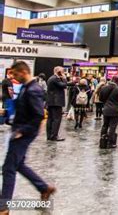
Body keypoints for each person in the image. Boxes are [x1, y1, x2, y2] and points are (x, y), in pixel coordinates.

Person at [0, 61, 56, 213]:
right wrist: (6, 114)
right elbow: (23, 109)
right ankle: (44, 188)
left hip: (23, 134)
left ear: (24, 72)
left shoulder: (33, 89)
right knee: (18, 165)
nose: (14, 77)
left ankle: (3, 206)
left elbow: (38, 115)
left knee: (8, 168)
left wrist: (21, 131)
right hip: (20, 131)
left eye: (16, 74)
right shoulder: (26, 87)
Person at [99, 76, 118, 149]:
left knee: (105, 125)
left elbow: (100, 98)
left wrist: (106, 103)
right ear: (117, 82)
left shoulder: (104, 88)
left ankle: (102, 140)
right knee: (112, 127)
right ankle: (110, 143)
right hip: (115, 110)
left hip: (106, 109)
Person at [46, 66, 67, 141]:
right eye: (62, 71)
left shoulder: (51, 78)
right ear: (58, 71)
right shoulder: (55, 79)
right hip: (56, 102)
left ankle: (49, 135)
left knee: (50, 119)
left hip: (51, 102)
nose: (63, 72)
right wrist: (64, 78)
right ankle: (54, 136)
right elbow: (64, 85)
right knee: (56, 119)